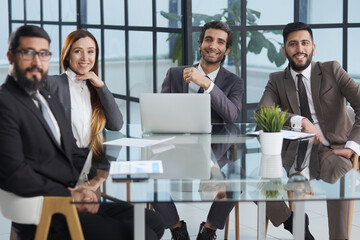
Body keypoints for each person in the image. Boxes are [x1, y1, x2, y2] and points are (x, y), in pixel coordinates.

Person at [0, 25, 164, 240]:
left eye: (43, 54)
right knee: (141, 234)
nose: (37, 61)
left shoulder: (43, 98)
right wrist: (71, 193)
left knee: (153, 222)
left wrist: (94, 180)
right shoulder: (7, 103)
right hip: (47, 211)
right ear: (10, 56)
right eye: (28, 53)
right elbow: (13, 172)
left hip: (68, 196)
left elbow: (67, 150)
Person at [257, 21, 360, 240]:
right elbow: (262, 114)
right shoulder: (276, 80)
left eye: (305, 43)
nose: (300, 49)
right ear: (284, 50)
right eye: (293, 44)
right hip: (295, 151)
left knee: (338, 175)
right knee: (256, 185)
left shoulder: (332, 69)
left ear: (314, 47)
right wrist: (299, 120)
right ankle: (294, 224)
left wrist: (352, 147)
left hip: (334, 149)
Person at [154, 20, 244, 240]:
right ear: (200, 43)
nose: (213, 45)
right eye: (209, 39)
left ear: (227, 50)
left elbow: (232, 114)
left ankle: (209, 230)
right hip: (177, 149)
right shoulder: (176, 74)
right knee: (149, 177)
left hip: (217, 152)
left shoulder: (234, 82)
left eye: (220, 42)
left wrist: (207, 84)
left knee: (236, 180)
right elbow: (160, 113)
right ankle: (177, 228)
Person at [46, 29, 123, 191]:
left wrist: (101, 87)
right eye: (77, 51)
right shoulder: (52, 84)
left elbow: (116, 124)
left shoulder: (96, 88)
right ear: (67, 55)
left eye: (90, 51)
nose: (85, 58)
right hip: (63, 172)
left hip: (93, 172)